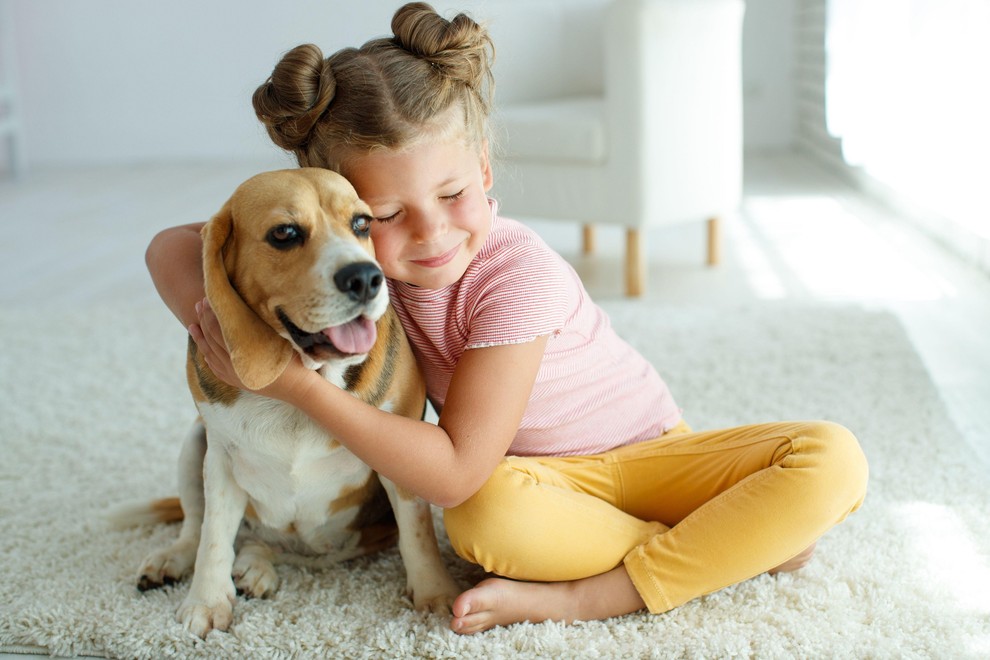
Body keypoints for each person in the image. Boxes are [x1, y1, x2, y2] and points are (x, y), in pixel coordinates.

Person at [146, 2, 868, 636]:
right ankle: (731, 540)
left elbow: (456, 467)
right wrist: (232, 335)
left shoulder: (517, 274)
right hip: (533, 485)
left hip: (649, 458)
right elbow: (172, 246)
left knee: (832, 457)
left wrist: (294, 384)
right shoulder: (357, 270)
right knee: (480, 524)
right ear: (335, 202)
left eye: (455, 192)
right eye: (386, 216)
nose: (430, 234)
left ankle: (597, 595)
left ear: (485, 170)